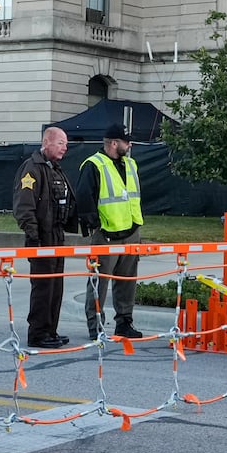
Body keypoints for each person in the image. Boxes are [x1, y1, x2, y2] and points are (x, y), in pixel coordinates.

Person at [75, 123, 144, 340]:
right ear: (114, 143)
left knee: (127, 281)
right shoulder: (94, 165)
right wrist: (96, 226)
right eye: (126, 141)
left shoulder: (130, 164)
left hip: (130, 231)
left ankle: (124, 322)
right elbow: (84, 198)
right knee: (100, 280)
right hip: (106, 234)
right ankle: (95, 325)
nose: (130, 144)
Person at [12, 126, 73, 349]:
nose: (64, 147)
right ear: (46, 143)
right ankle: (37, 333)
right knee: (43, 287)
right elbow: (24, 207)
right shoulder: (32, 169)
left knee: (56, 286)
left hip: (57, 236)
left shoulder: (55, 169)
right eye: (60, 143)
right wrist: (34, 237)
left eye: (65, 143)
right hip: (41, 239)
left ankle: (51, 330)